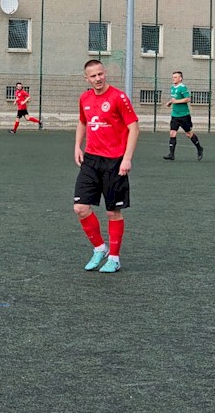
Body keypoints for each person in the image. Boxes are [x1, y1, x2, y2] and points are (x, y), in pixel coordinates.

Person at [73, 59, 139, 273]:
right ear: (86, 79)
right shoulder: (85, 98)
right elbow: (83, 122)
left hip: (115, 161)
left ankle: (114, 258)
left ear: (105, 73)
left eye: (100, 74)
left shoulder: (118, 97)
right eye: (93, 76)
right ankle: (100, 249)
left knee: (113, 212)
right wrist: (77, 146)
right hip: (91, 160)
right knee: (80, 208)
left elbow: (134, 128)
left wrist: (127, 158)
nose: (98, 78)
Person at [163, 71, 203, 161]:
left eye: (175, 77)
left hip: (184, 115)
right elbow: (174, 98)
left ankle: (199, 148)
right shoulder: (172, 87)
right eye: (173, 77)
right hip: (175, 115)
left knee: (188, 134)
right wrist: (170, 102)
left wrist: (176, 102)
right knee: (172, 133)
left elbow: (188, 99)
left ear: (180, 78)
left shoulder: (183, 87)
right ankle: (171, 154)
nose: (173, 79)